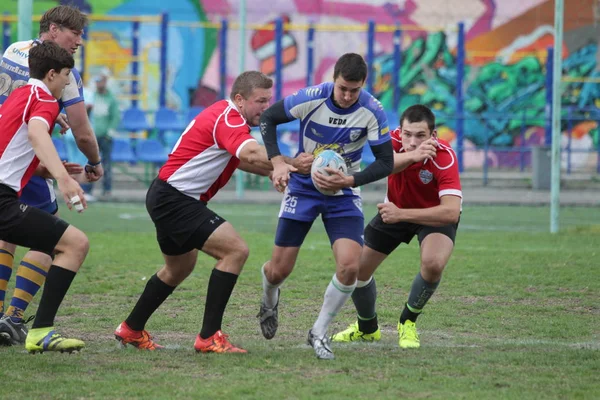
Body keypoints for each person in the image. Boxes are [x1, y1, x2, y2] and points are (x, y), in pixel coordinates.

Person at [114, 71, 313, 353]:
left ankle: (131, 329)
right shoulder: (230, 117)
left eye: (269, 101)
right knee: (235, 251)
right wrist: (285, 162)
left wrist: (285, 168)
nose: (266, 107)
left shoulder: (227, 116)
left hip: (168, 196)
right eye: (260, 101)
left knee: (178, 268)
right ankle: (209, 337)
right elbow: (250, 154)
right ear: (240, 99)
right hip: (175, 200)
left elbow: (242, 161)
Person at [257, 53, 394, 360]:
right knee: (278, 271)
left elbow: (386, 161)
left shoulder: (372, 111)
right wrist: (279, 161)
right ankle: (268, 299)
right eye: (343, 88)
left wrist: (350, 181)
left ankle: (319, 331)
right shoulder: (311, 97)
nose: (347, 96)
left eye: (354, 90)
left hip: (343, 194)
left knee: (349, 266)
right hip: (304, 187)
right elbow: (268, 119)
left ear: (363, 86)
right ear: (334, 79)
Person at [0, 5, 103, 346]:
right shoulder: (47, 97)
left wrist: (44, 168)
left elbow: (22, 133)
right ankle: (27, 325)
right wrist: (63, 176)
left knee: (13, 234)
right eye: (76, 34)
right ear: (54, 74)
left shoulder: (16, 66)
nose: (79, 41)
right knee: (71, 242)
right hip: (6, 187)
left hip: (12, 176)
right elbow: (39, 135)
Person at [330, 104, 462, 349]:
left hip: (430, 216)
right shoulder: (391, 142)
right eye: (407, 134)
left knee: (433, 265)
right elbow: (382, 166)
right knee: (356, 268)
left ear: (433, 136)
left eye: (421, 135)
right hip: (395, 210)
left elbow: (451, 212)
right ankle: (367, 327)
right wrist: (412, 156)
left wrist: (402, 214)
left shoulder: (444, 157)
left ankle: (408, 322)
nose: (412, 141)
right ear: (399, 132)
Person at [88, 72, 120, 198]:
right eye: (97, 81)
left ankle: (107, 190)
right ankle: (88, 189)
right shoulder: (92, 97)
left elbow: (115, 117)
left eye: (100, 81)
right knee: (91, 163)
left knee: (106, 164)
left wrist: (109, 133)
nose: (98, 84)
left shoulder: (111, 98)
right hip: (93, 136)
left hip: (105, 137)